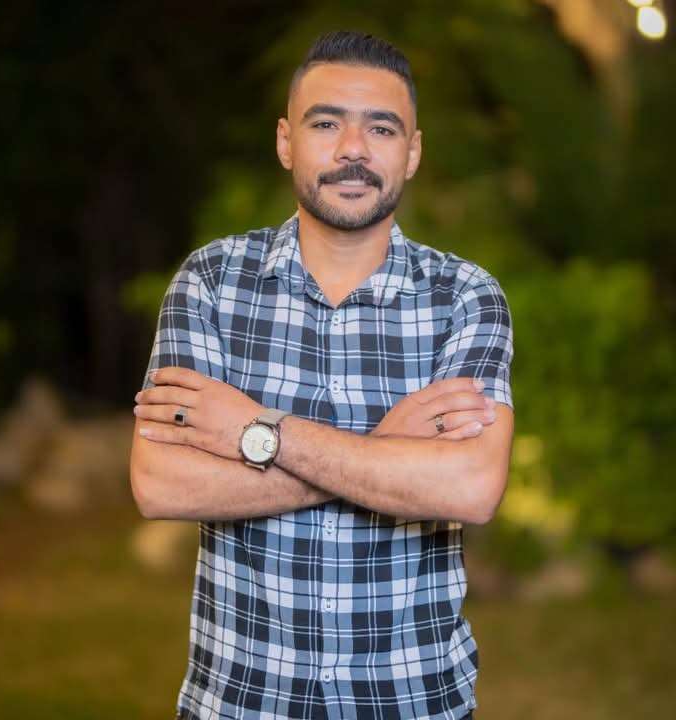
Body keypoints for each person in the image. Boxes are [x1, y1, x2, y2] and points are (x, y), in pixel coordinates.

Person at [130, 30, 514, 720]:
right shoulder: (211, 282)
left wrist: (256, 433)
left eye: (381, 128)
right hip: (240, 702)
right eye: (326, 123)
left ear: (412, 152)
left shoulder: (465, 296)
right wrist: (383, 454)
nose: (353, 150)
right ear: (286, 142)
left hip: (412, 700)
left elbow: (472, 487)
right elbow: (160, 482)